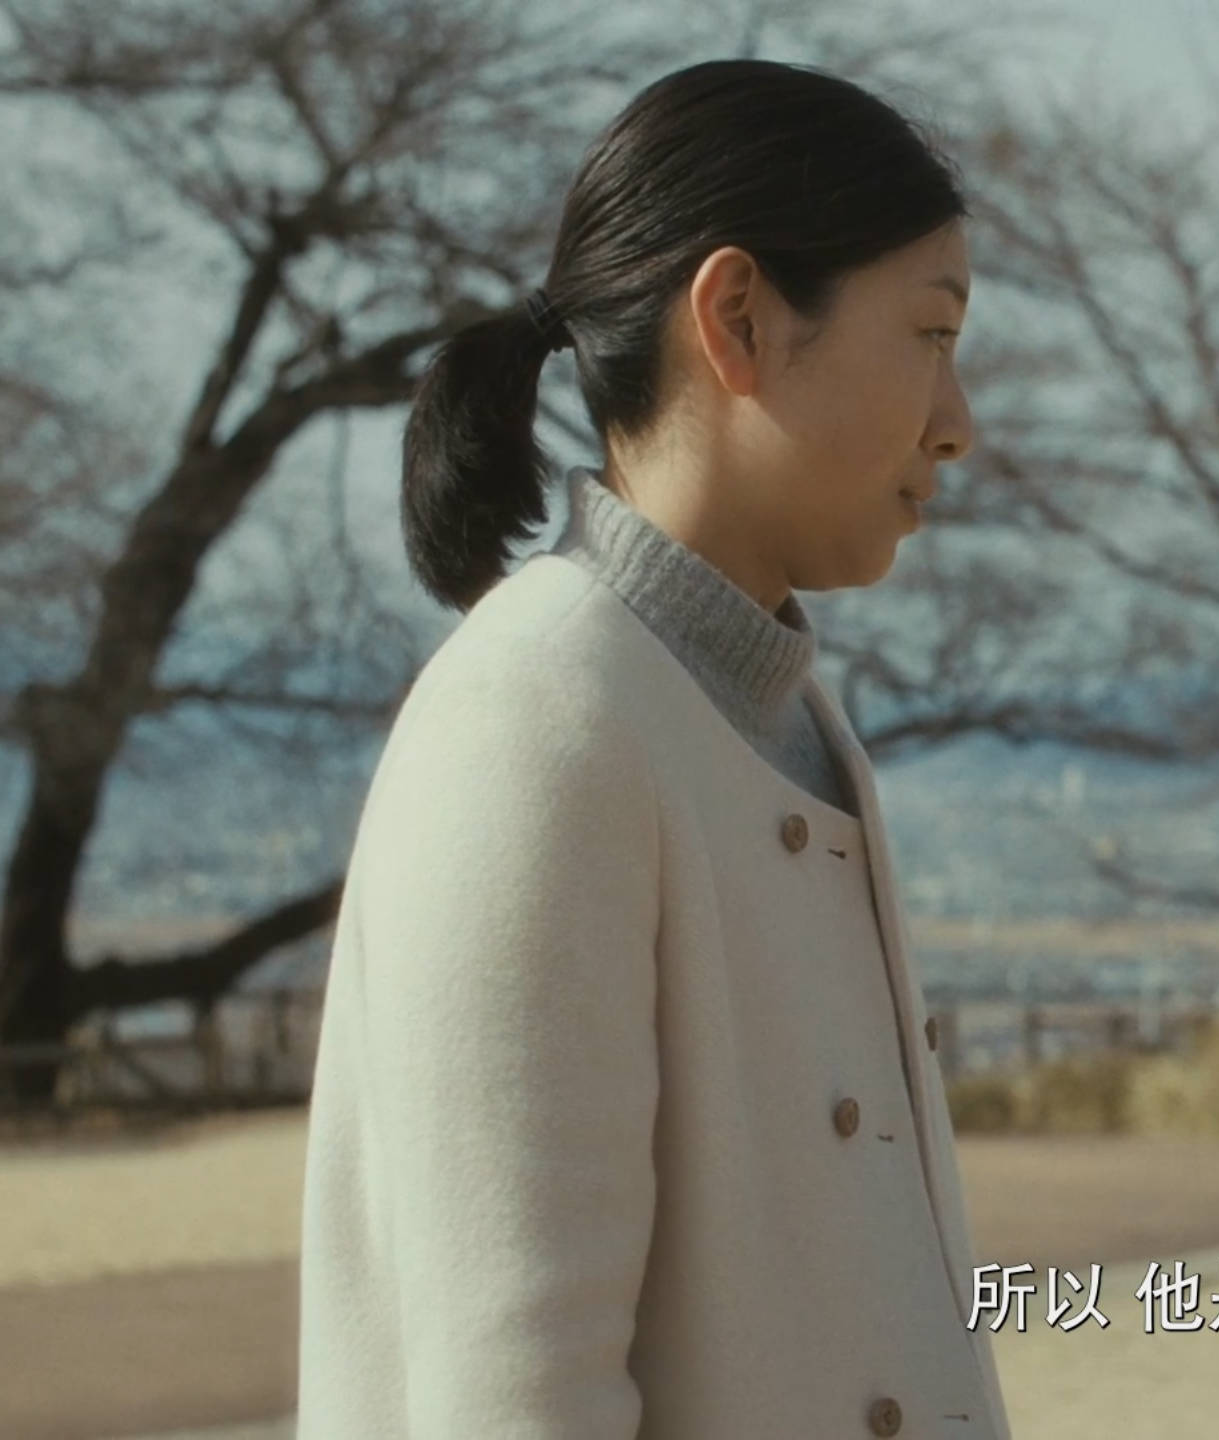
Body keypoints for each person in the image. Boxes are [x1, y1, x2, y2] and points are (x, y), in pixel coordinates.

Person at [298, 59, 1005, 1438]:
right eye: (931, 333)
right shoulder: (535, 712)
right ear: (738, 318)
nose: (959, 423)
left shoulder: (782, 710)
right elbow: (515, 1393)